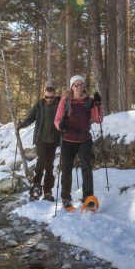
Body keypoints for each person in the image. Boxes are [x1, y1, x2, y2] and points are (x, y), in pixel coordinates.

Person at [54, 75, 103, 209]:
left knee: (86, 168)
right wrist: (60, 125)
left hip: (84, 139)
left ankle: (88, 198)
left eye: (81, 85)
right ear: (72, 86)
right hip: (67, 139)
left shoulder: (90, 101)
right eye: (76, 85)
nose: (79, 87)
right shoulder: (65, 101)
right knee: (66, 169)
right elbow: (57, 120)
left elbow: (98, 119)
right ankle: (66, 198)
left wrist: (98, 105)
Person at [16, 86, 61, 202]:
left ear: (54, 96)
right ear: (44, 95)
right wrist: (22, 125)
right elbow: (30, 118)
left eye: (51, 97)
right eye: (46, 97)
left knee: (50, 165)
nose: (49, 99)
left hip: (53, 140)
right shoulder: (39, 105)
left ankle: (47, 192)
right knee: (41, 160)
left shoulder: (59, 105)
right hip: (40, 139)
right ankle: (36, 186)